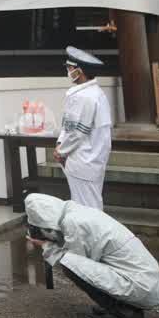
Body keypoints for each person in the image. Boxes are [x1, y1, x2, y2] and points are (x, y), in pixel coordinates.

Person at [24, 193, 159, 318]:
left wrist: (46, 246)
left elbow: (76, 261)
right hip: (144, 279)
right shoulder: (75, 211)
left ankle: (125, 313)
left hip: (140, 285)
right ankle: (117, 304)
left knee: (70, 266)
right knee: (75, 263)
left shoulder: (73, 223)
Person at [56, 46, 114, 210]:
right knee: (91, 204)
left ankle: (90, 236)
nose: (68, 71)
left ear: (79, 71)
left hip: (83, 160)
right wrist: (61, 144)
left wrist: (61, 150)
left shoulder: (84, 97)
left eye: (70, 68)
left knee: (86, 209)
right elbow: (69, 125)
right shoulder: (95, 93)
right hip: (91, 160)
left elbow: (76, 132)